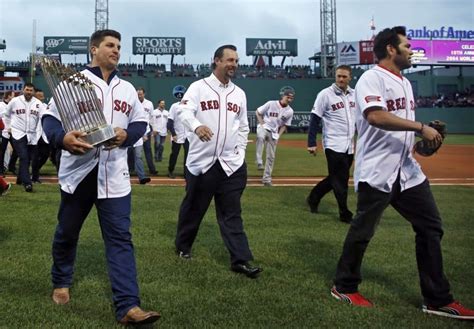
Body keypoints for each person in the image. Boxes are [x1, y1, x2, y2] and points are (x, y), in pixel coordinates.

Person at [331, 26, 474, 320]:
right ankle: (344, 286)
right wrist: (421, 127)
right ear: (391, 50)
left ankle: (437, 299)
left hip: (407, 171)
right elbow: (376, 116)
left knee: (431, 226)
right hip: (377, 169)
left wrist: (423, 146)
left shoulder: (405, 82)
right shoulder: (372, 77)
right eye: (407, 46)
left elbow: (402, 132)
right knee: (363, 231)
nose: (412, 50)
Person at [42, 29, 160, 325]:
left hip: (115, 173)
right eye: (110, 45)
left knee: (120, 239)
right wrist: (62, 138)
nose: (116, 50)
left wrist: (126, 134)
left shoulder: (127, 89)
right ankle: (61, 280)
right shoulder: (73, 82)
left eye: (119, 46)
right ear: (94, 49)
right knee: (67, 233)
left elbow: (140, 123)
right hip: (79, 171)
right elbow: (50, 118)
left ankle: (128, 305)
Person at [175, 45, 262, 278]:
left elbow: (243, 126)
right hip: (203, 162)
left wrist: (240, 150)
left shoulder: (239, 93)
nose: (233, 64)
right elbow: (183, 112)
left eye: (236, 60)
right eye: (229, 60)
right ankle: (183, 246)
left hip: (231, 164)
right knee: (194, 209)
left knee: (232, 213)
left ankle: (240, 260)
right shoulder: (198, 87)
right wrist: (196, 126)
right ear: (216, 61)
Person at [306, 65, 356, 223]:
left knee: (337, 177)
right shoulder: (325, 95)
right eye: (338, 76)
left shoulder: (355, 95)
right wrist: (311, 142)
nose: (341, 79)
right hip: (333, 143)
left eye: (344, 76)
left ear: (350, 78)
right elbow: (315, 119)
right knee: (341, 180)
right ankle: (344, 212)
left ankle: (314, 197)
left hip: (349, 144)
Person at [4, 83, 42, 192]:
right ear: (23, 90)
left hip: (32, 135)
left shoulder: (38, 104)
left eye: (31, 90)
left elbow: (42, 118)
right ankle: (27, 183)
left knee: (27, 159)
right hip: (18, 133)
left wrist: (38, 133)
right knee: (24, 157)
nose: (29, 92)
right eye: (27, 90)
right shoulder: (15, 101)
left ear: (33, 92)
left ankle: (20, 179)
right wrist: (8, 127)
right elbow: (6, 115)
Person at [255, 86, 294, 187]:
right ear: (283, 96)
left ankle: (266, 179)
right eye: (288, 97)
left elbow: (285, 125)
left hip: (274, 133)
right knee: (260, 137)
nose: (289, 100)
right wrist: (262, 124)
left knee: (271, 157)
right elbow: (258, 112)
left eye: (291, 98)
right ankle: (259, 161)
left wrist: (278, 136)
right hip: (264, 127)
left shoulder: (290, 111)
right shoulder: (271, 103)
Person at [166, 85, 189, 179]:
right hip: (177, 135)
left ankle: (186, 173)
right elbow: (170, 122)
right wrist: (173, 134)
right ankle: (170, 171)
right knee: (174, 155)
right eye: (179, 95)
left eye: (182, 94)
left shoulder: (189, 106)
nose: (181, 96)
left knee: (188, 155)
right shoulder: (174, 106)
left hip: (188, 135)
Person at [137, 87, 158, 175]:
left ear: (144, 94)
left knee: (148, 150)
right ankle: (130, 169)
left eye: (141, 94)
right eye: (138, 94)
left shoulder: (149, 104)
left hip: (146, 130)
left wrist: (154, 128)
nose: (139, 96)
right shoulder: (134, 102)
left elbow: (152, 117)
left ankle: (152, 169)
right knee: (132, 151)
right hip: (136, 131)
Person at [31, 88, 50, 184]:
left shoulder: (46, 106)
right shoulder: (32, 106)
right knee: (35, 156)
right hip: (35, 134)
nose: (42, 98)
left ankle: (36, 169)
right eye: (40, 96)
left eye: (42, 96)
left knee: (45, 154)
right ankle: (34, 177)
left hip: (44, 135)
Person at [0, 91, 18, 177]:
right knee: (2, 151)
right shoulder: (1, 105)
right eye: (13, 96)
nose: (14, 97)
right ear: (8, 96)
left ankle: (11, 166)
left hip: (12, 131)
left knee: (17, 149)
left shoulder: (13, 105)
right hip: (3, 131)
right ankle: (1, 169)